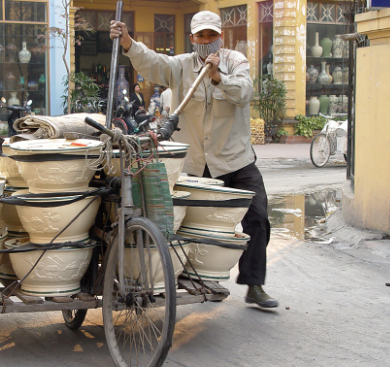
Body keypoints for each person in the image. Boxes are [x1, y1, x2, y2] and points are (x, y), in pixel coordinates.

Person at [110, 10, 278, 308]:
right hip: (195, 163)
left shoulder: (235, 61)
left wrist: (217, 77)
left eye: (212, 35)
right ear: (192, 38)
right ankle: (189, 276)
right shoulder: (181, 66)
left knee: (258, 218)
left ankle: (254, 284)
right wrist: (128, 43)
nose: (206, 40)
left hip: (235, 159)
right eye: (201, 35)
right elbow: (153, 62)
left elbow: (244, 92)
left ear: (220, 37)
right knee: (186, 224)